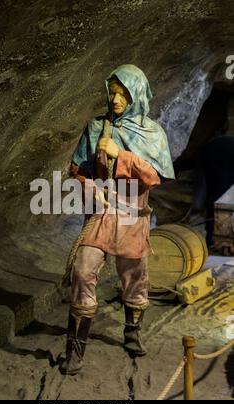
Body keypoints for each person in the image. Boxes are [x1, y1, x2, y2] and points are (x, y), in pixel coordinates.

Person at [60, 64, 175, 375]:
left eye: (123, 95)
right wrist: (90, 187)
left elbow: (154, 176)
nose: (115, 100)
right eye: (112, 93)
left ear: (137, 96)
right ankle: (75, 349)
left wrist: (119, 155)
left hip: (133, 217)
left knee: (135, 278)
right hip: (101, 215)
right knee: (83, 271)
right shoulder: (96, 127)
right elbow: (78, 171)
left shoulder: (151, 133)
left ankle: (132, 333)